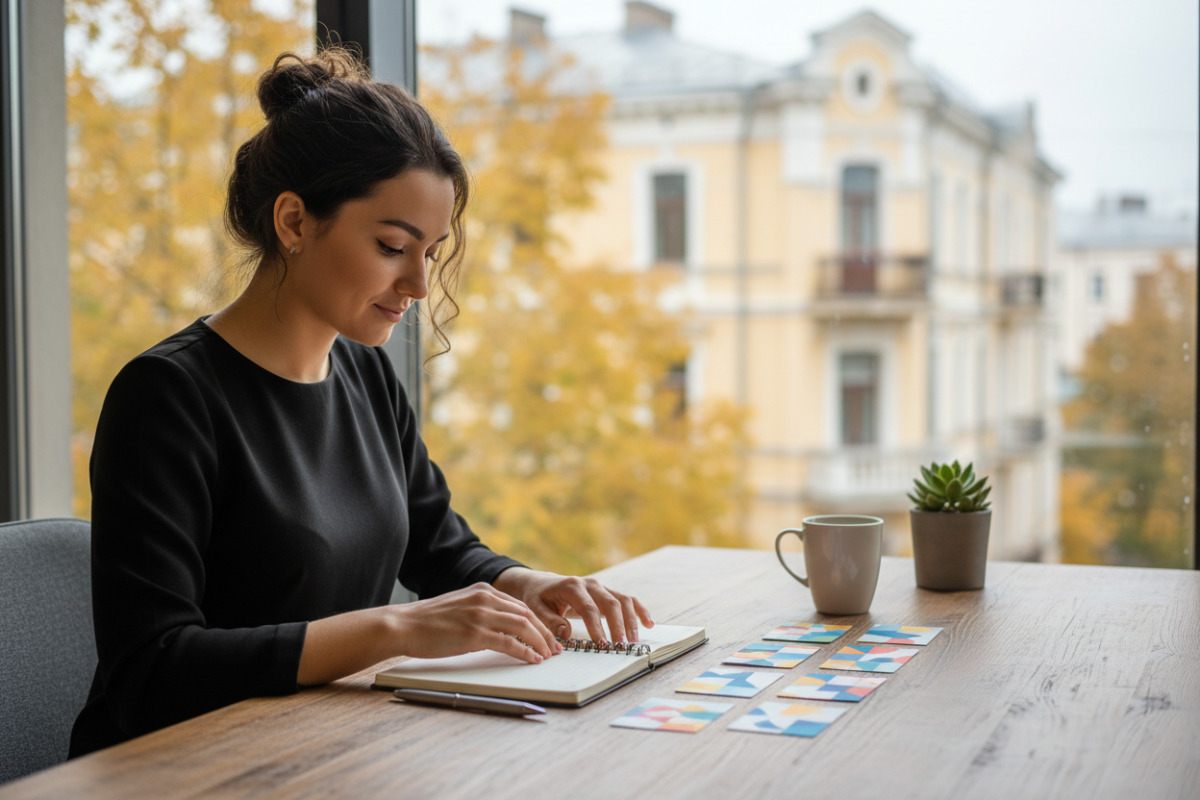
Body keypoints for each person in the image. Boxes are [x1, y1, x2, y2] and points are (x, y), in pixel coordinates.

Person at [69, 47, 653, 758]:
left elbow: (439, 547)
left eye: (430, 252)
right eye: (391, 246)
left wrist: (531, 586)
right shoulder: (166, 397)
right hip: (184, 770)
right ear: (292, 222)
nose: (416, 285)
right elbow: (151, 670)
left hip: (324, 748)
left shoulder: (365, 376)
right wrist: (397, 629)